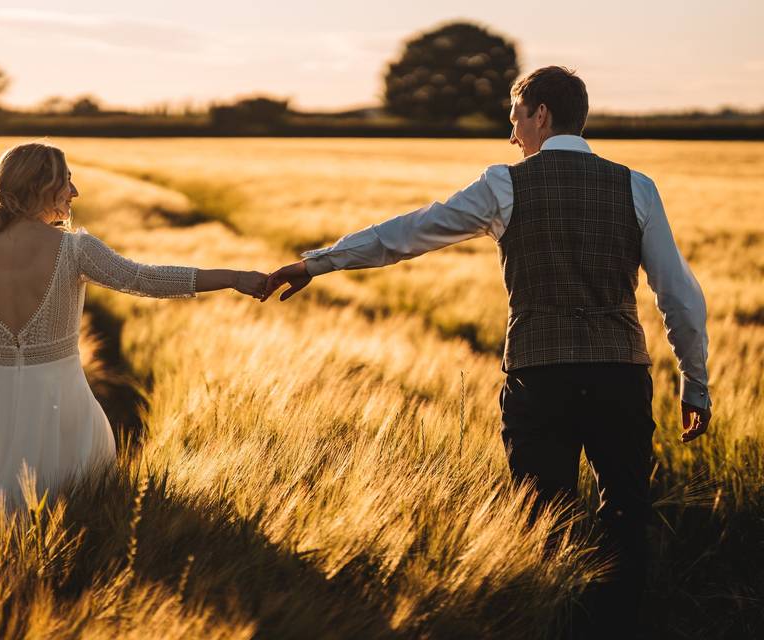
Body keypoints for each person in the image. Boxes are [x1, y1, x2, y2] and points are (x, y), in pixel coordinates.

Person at [262, 66, 712, 636]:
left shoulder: (504, 185)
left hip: (538, 377)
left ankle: (549, 623)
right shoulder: (635, 186)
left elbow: (407, 233)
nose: (512, 135)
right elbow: (681, 298)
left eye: (515, 119)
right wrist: (695, 383)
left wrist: (317, 261)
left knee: (541, 516)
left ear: (540, 115)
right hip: (619, 376)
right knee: (626, 515)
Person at [0, 141, 267, 567]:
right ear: (41, 186)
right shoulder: (74, 249)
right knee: (69, 539)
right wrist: (234, 277)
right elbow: (145, 279)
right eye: (67, 181)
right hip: (65, 414)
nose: (74, 193)